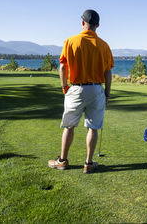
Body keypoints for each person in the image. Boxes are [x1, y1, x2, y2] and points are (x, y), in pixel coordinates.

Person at [48, 9, 114, 174]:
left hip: (76, 89)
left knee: (69, 126)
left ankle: (62, 161)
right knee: (93, 128)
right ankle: (88, 163)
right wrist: (107, 94)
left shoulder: (70, 41)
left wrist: (64, 87)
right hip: (96, 89)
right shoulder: (104, 45)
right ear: (98, 25)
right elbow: (108, 72)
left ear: (82, 22)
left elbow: (63, 67)